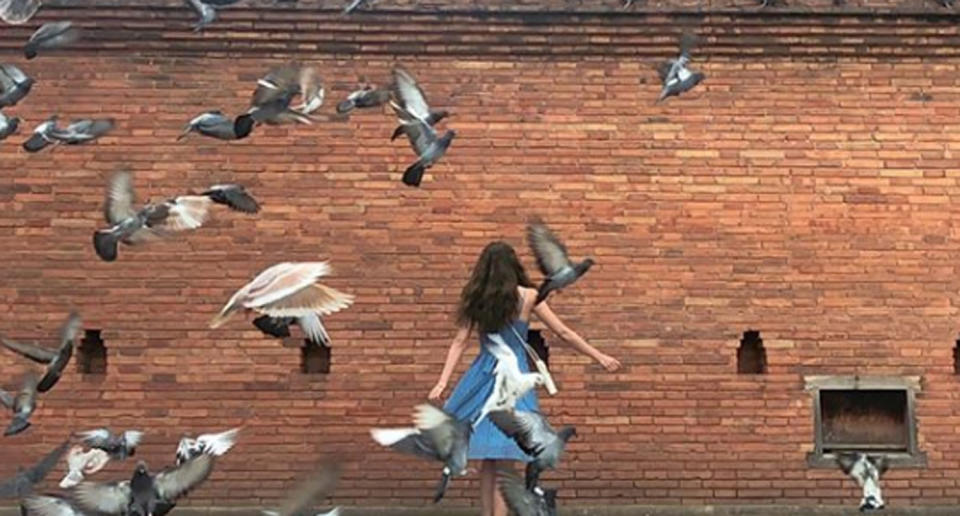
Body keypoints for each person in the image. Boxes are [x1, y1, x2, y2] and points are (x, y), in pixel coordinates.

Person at [428, 241, 621, 516]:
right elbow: (563, 332)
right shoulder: (529, 297)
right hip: (513, 381)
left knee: (488, 463)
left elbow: (459, 341)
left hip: (481, 378)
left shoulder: (477, 297)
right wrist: (599, 356)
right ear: (513, 266)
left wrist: (443, 381)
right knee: (505, 461)